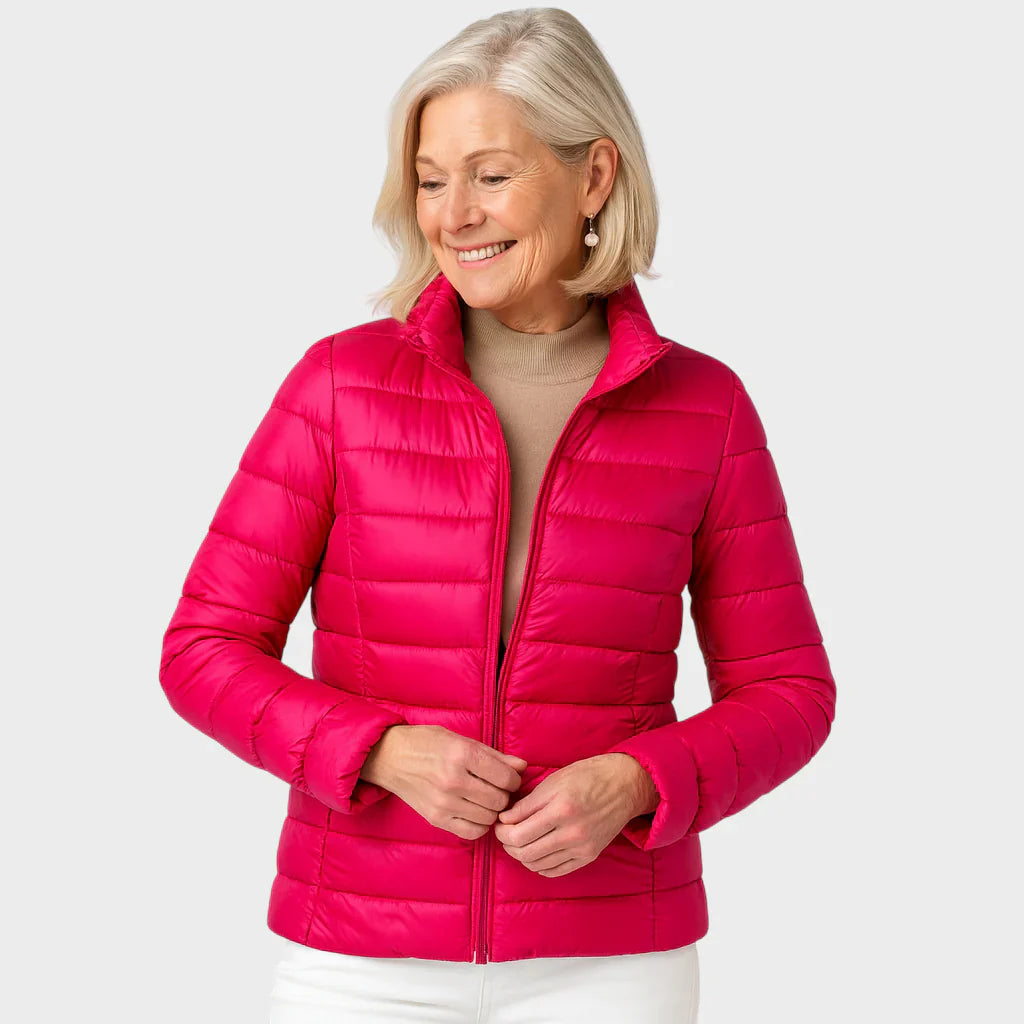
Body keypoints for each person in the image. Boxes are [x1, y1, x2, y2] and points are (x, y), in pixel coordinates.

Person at [158, 9, 836, 1022]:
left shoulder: (706, 409)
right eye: (431, 181)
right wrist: (379, 750)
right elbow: (203, 649)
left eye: (491, 174)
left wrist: (636, 780)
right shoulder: (341, 386)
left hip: (610, 959)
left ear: (593, 176)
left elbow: (789, 691)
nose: (455, 215)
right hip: (358, 956)